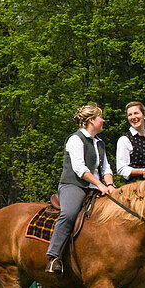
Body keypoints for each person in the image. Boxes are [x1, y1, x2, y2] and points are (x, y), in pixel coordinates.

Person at [45, 103, 115, 275]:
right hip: (74, 185)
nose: (103, 120)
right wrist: (100, 185)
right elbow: (79, 168)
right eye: (100, 117)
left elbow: (106, 169)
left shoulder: (100, 143)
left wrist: (111, 186)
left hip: (98, 187)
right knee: (68, 214)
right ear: (91, 120)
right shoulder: (75, 139)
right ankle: (53, 257)